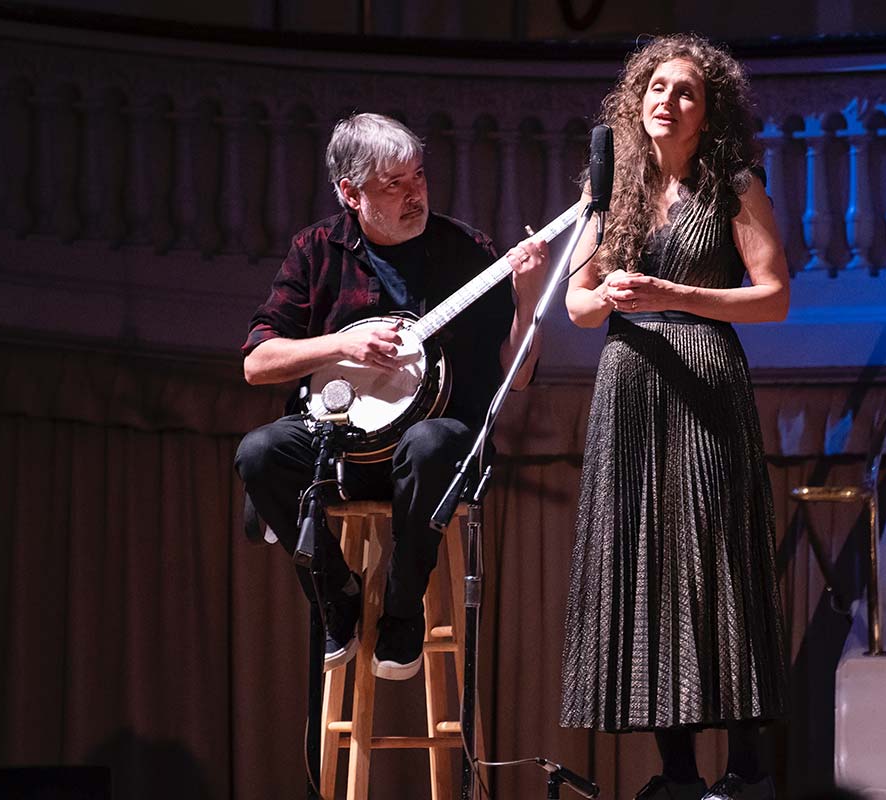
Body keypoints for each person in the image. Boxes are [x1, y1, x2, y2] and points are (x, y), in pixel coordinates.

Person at [234, 113, 547, 681]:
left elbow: (517, 377)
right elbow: (257, 362)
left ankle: (403, 612)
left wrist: (526, 301)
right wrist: (340, 343)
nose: (414, 195)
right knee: (259, 453)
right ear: (350, 193)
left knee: (430, 443)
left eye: (419, 177)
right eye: (393, 185)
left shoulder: (466, 250)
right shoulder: (316, 250)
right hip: (344, 454)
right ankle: (336, 596)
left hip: (436, 457)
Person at [559, 35, 790, 800]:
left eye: (686, 90)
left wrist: (674, 296)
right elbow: (579, 307)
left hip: (704, 383)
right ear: (637, 100)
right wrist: (611, 296)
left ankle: (748, 766)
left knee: (717, 560)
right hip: (630, 388)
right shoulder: (613, 187)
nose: (668, 99)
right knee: (651, 562)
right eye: (656, 87)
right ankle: (680, 772)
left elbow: (774, 296)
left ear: (708, 109)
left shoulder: (734, 183)